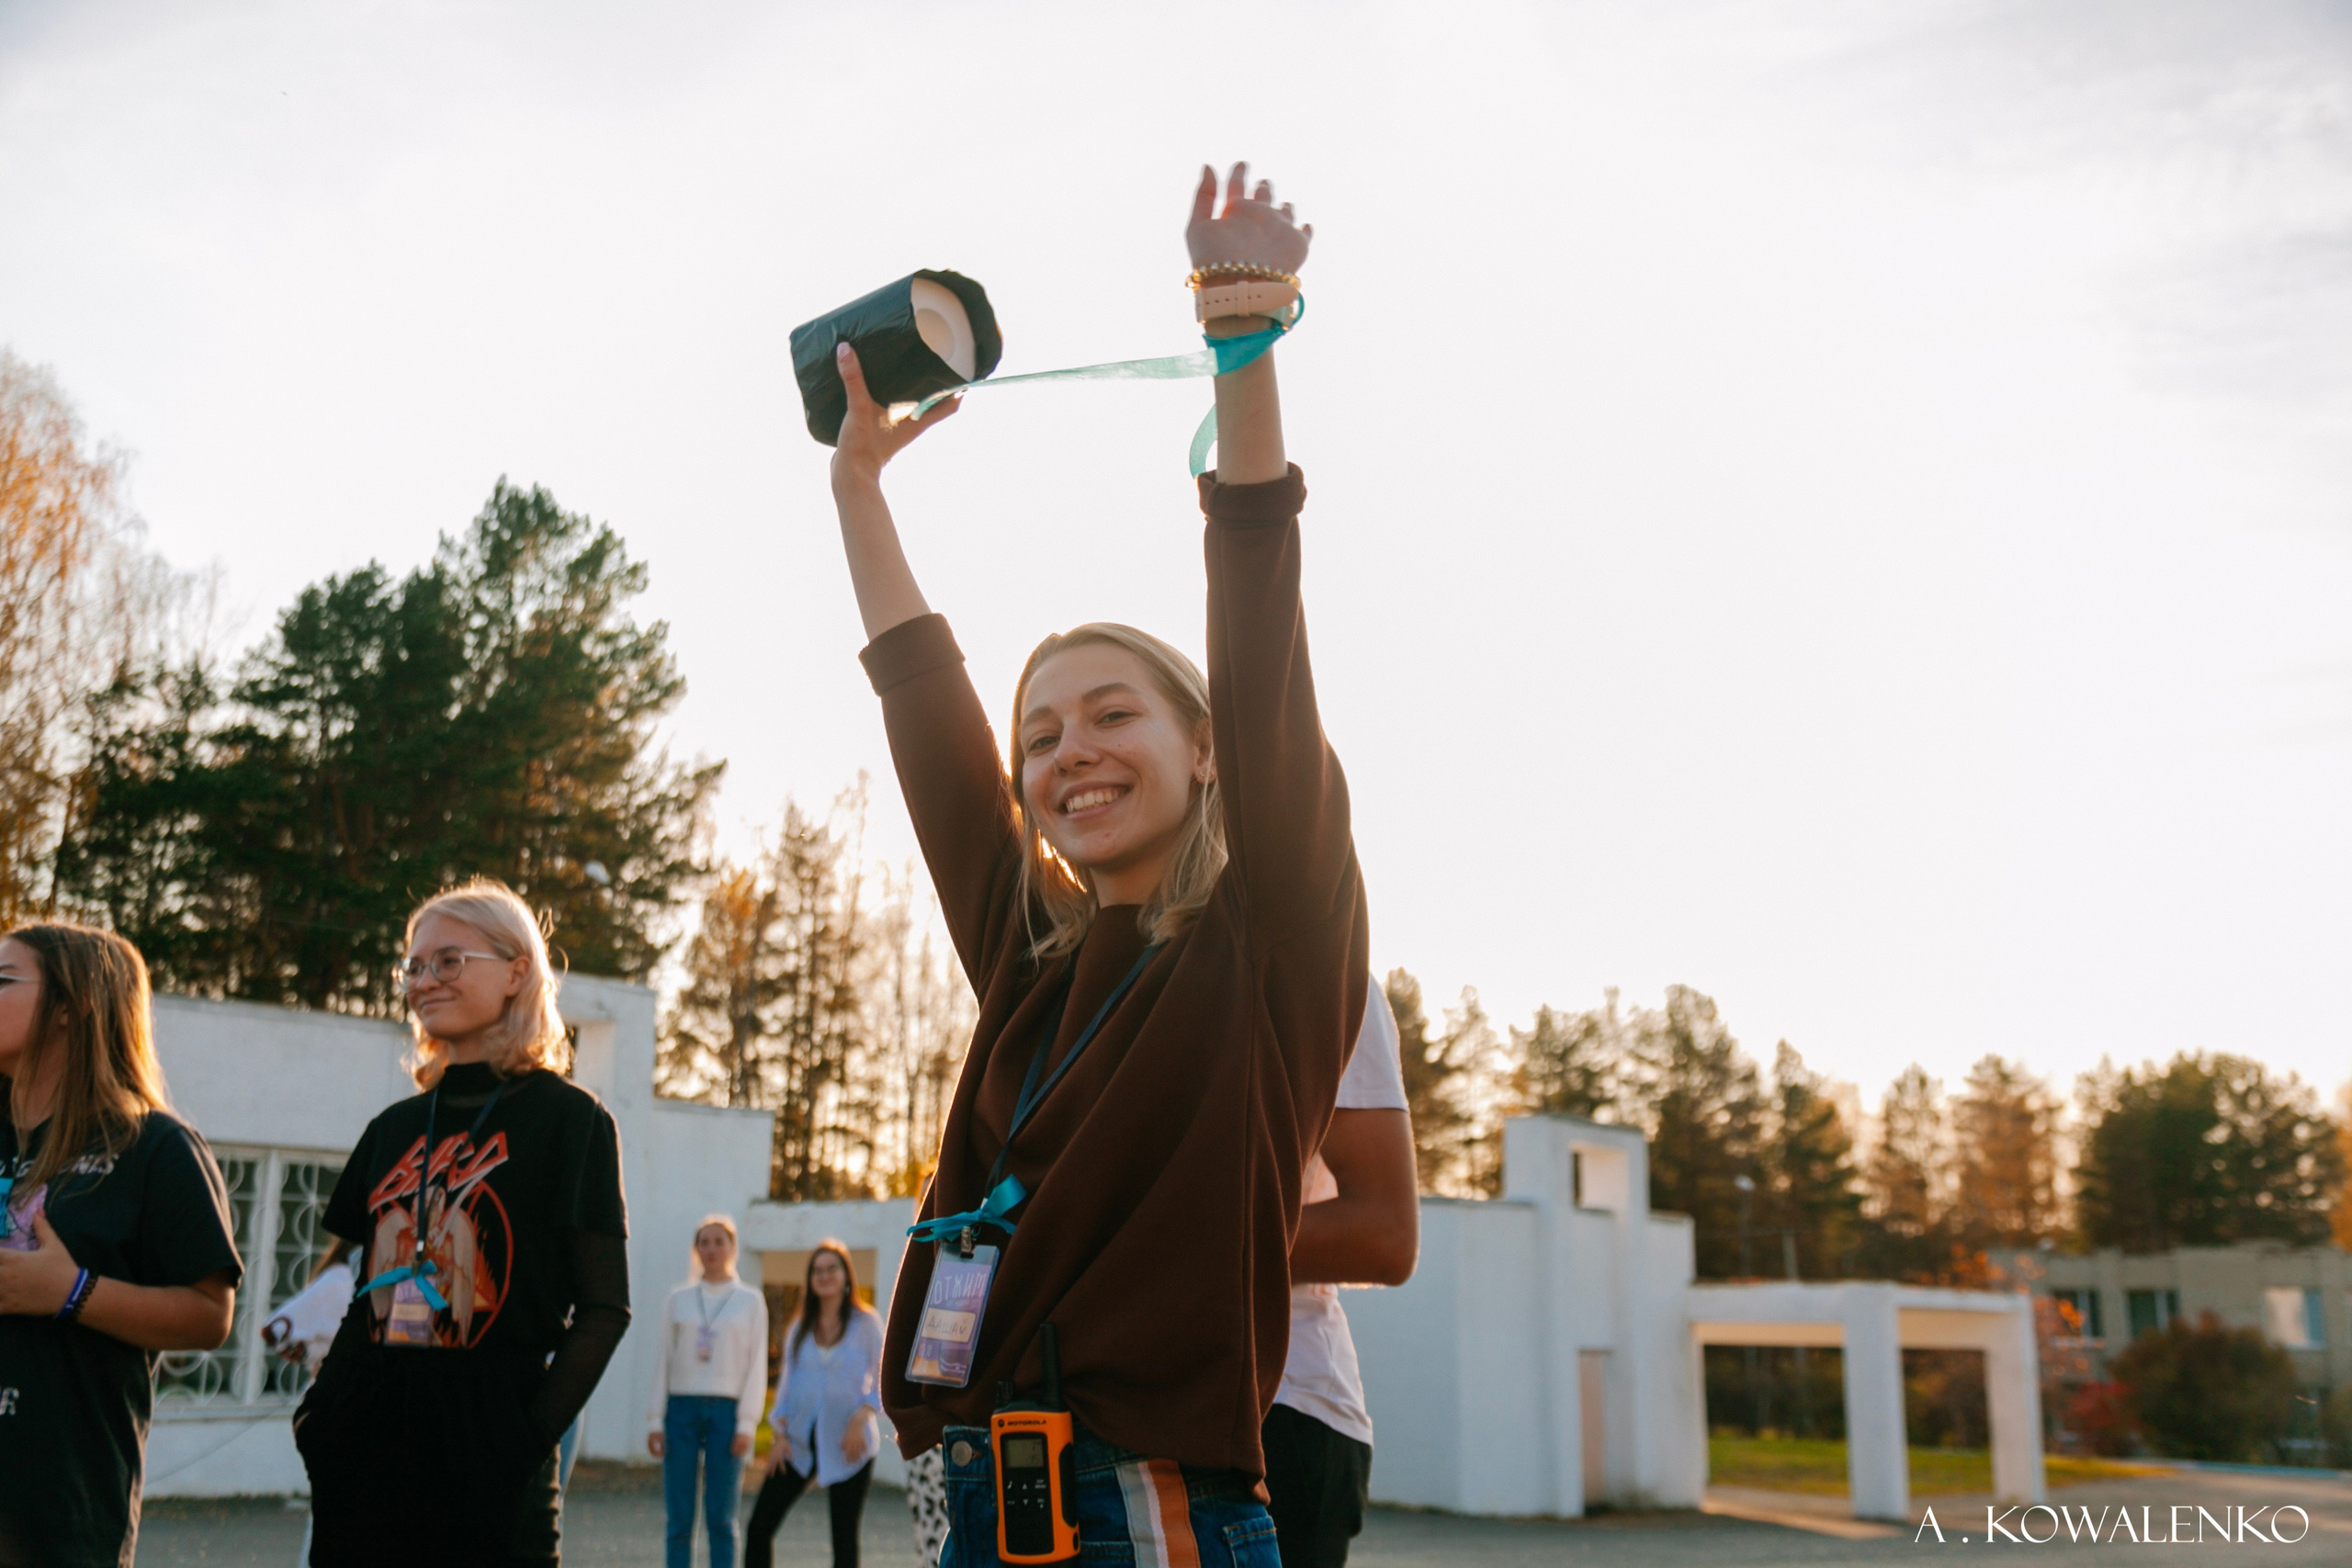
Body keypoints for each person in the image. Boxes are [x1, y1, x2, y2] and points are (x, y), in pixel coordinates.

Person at [827, 160, 1359, 1567]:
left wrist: (1240, 343)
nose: (1071, 753)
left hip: (1155, 1517)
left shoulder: (1273, 937)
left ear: (1206, 747)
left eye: (1114, 714)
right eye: (1043, 734)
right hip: (980, 1513)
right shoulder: (1030, 955)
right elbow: (928, 721)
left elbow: (1259, 632)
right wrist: (860, 487)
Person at [295, 879, 631, 1567]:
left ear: (516, 972)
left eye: (448, 960)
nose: (424, 980)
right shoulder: (392, 1127)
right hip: (364, 1453)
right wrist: (320, 1417)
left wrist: (526, 1435)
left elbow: (604, 1308)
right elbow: (361, 1289)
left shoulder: (572, 1122)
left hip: (489, 1459)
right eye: (413, 965)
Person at [0, 923, 244, 1568]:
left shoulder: (154, 1147)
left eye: (3, 978)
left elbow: (210, 1315)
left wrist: (72, 1292)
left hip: (58, 1516)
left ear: (70, 1005)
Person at [1263, 978, 1418, 1568]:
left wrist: (1157, 1248)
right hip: (1112, 1405)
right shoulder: (1081, 961)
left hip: (1282, 1411)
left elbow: (1384, 1234)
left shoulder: (1324, 975)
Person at [743, 1241, 883, 1568]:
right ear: (809, 1279)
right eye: (817, 1270)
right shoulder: (800, 1328)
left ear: (846, 1276)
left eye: (831, 1268)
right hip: (798, 1443)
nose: (824, 1275)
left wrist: (861, 1417)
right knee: (758, 1528)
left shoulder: (866, 1324)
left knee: (844, 1540)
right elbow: (787, 1388)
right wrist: (778, 1433)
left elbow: (882, 1380)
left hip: (849, 1444)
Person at [650, 1214, 771, 1568]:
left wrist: (747, 1423)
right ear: (696, 1250)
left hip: (726, 1412)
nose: (711, 1248)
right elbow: (664, 1360)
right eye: (704, 1241)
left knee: (721, 1518)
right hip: (681, 1409)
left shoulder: (750, 1301)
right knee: (680, 1520)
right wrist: (655, 1419)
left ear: (732, 1248)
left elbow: (755, 1365)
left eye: (719, 1241)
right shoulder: (678, 1298)